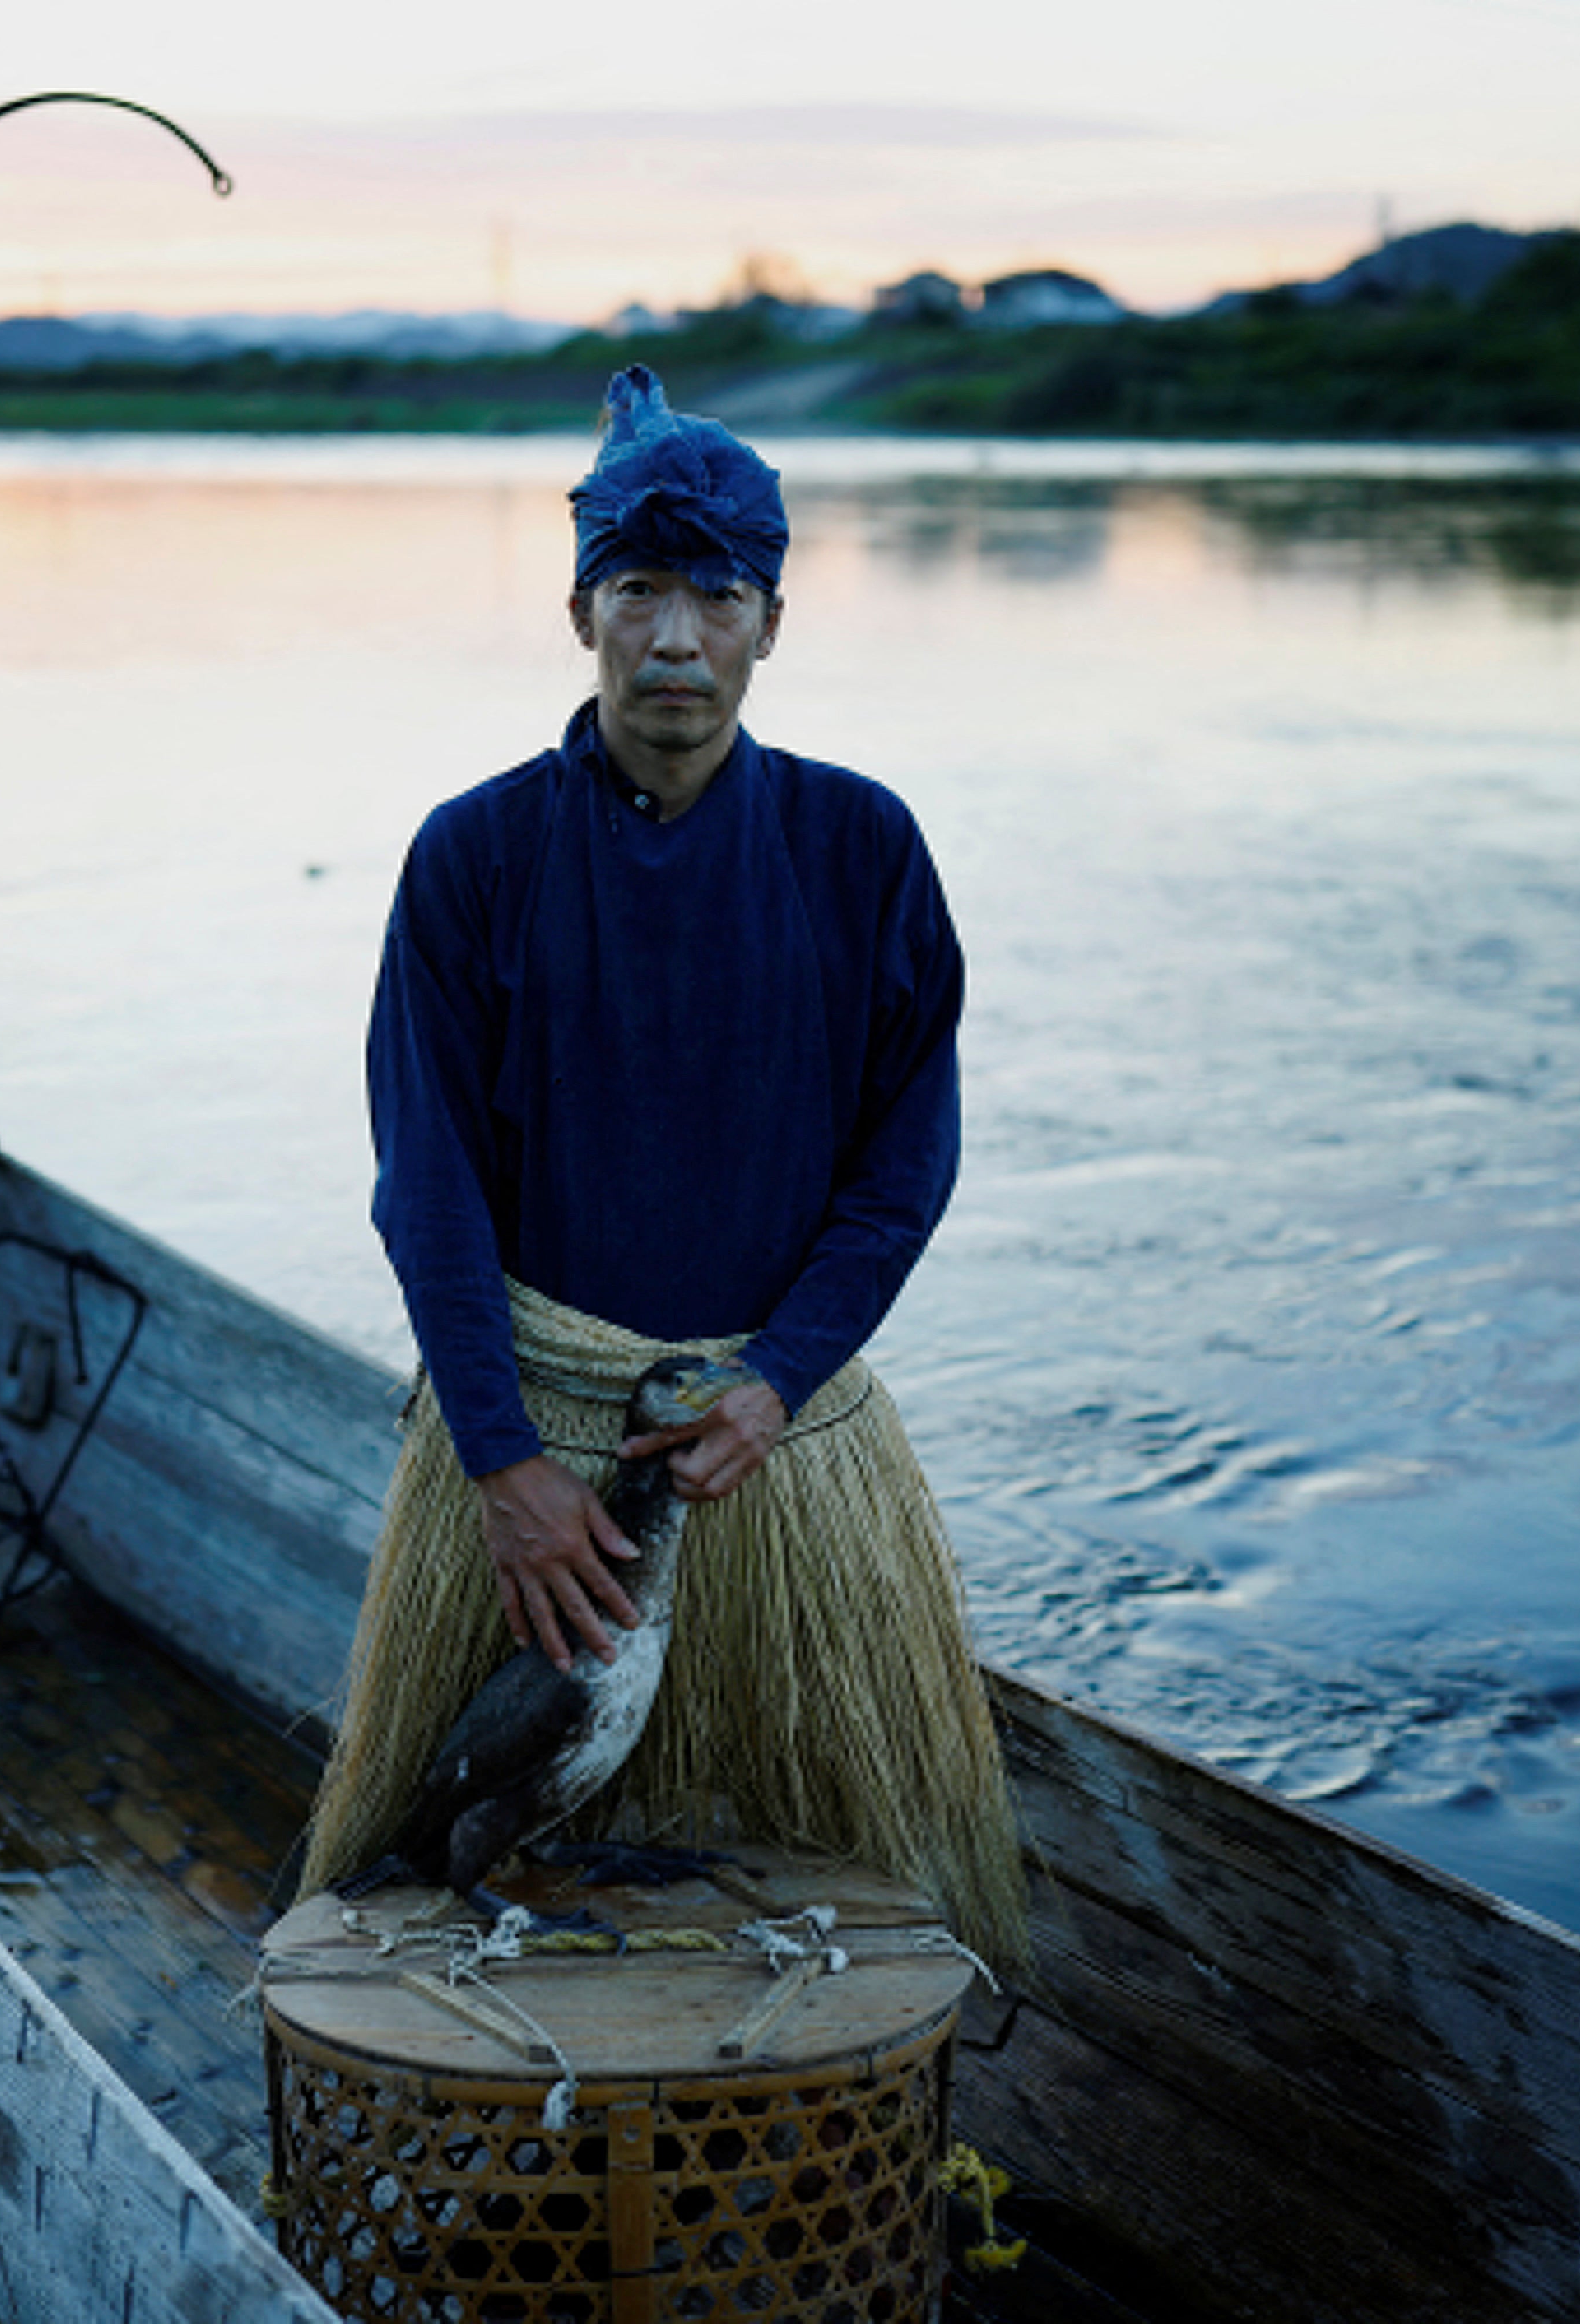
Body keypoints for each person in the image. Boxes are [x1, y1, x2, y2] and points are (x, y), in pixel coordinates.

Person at [300, 367, 1024, 1966]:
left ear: (775, 621)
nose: (678, 639)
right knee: (441, 1890)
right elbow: (426, 1187)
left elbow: (904, 1170)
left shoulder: (863, 850)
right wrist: (499, 1464)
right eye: (640, 592)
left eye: (719, 594)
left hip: (785, 1456)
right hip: (536, 1476)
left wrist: (776, 1382)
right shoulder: (474, 859)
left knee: (822, 1908)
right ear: (581, 613)